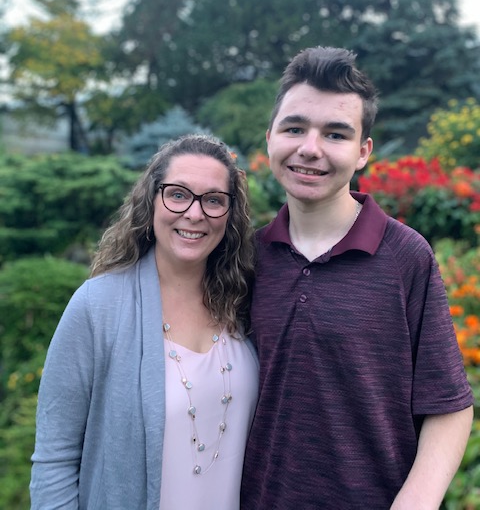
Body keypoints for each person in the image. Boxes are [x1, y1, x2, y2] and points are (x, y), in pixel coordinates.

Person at [241, 46, 474, 509]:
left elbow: (449, 405)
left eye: (335, 134)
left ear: (363, 151)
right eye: (294, 128)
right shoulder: (246, 257)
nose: (310, 148)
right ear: (270, 138)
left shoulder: (405, 256)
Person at [30, 134, 259, 510]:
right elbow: (54, 460)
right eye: (179, 194)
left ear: (230, 213)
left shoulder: (244, 302)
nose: (195, 213)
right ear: (151, 200)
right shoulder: (98, 306)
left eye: (214, 200)